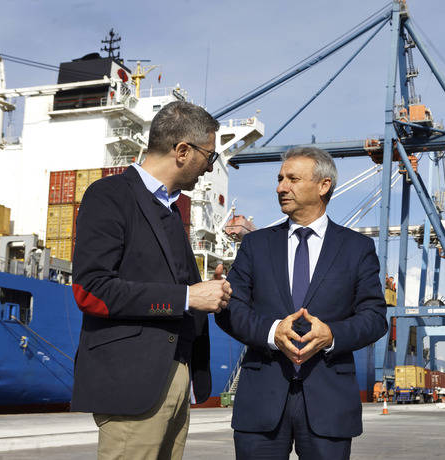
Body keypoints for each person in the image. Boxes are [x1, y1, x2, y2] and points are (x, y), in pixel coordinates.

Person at [71, 101, 232, 460]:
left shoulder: (171, 210)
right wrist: (187, 297)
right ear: (182, 151)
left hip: (175, 377)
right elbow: (91, 290)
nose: (210, 167)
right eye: (210, 155)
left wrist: (208, 289)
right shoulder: (110, 195)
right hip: (133, 382)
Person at [216, 146, 388, 459]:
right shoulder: (255, 245)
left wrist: (332, 335)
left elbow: (375, 317)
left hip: (329, 405)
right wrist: (271, 333)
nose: (281, 187)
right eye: (280, 179)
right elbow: (230, 310)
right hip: (261, 404)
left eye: (292, 179)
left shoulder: (357, 248)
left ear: (324, 185)